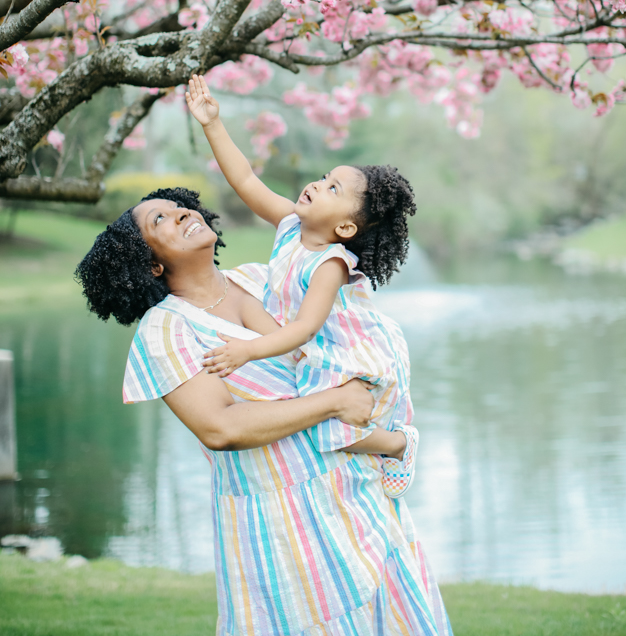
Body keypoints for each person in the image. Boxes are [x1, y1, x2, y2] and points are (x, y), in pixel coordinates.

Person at [76, 186, 452, 636]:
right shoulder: (165, 330)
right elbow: (220, 428)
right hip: (277, 519)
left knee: (392, 618)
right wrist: (333, 401)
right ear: (152, 264)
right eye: (158, 220)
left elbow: (335, 344)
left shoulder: (261, 278)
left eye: (177, 207)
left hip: (353, 492)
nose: (179, 213)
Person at [186, 74, 418, 498]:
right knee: (306, 420)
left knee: (327, 431)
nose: (316, 183)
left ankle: (399, 443)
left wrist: (247, 351)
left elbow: (307, 328)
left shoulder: (330, 263)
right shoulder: (291, 224)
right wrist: (212, 124)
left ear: (345, 227)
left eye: (332, 188)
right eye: (325, 176)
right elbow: (246, 181)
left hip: (339, 348)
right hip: (303, 341)